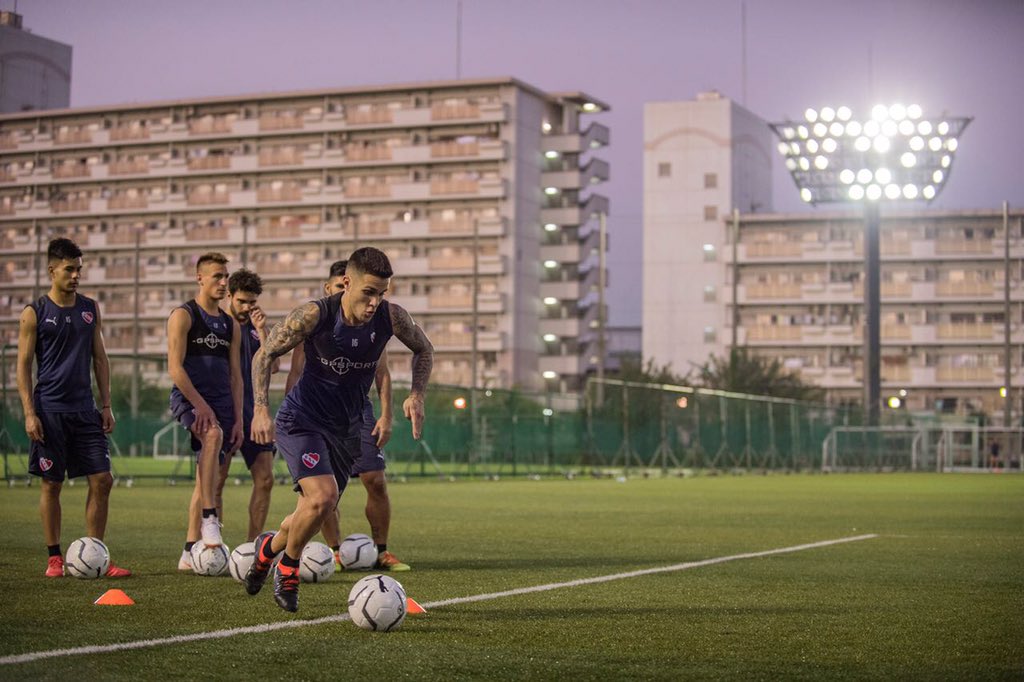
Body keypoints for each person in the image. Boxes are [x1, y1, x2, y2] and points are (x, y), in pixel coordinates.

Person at [245, 246, 432, 612]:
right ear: (346, 283)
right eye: (368, 292)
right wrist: (261, 409)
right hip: (302, 421)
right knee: (323, 499)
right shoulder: (315, 314)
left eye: (382, 293)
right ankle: (288, 569)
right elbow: (265, 354)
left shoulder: (391, 319)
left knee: (310, 511)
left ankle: (267, 551)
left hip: (346, 429)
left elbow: (424, 349)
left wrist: (417, 394)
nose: (375, 301)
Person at [16, 237, 131, 577]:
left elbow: (100, 357)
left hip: (85, 411)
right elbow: (22, 366)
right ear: (52, 270)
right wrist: (28, 412)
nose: (76, 275)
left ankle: (95, 554)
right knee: (52, 484)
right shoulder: (34, 312)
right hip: (49, 411)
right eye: (70, 269)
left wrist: (106, 404)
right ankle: (54, 557)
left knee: (103, 479)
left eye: (79, 269)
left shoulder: (89, 308)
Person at [285, 260, 408, 571]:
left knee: (375, 479)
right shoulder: (315, 322)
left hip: (358, 412)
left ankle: (381, 551)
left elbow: (383, 372)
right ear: (334, 288)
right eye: (341, 288)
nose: (370, 303)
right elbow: (295, 371)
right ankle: (335, 552)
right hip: (314, 413)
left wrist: (386, 416)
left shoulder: (375, 324)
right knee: (327, 494)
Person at [168, 252, 243, 570]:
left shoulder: (230, 324)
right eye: (217, 276)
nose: (224, 282)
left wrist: (239, 419)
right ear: (200, 278)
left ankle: (188, 551)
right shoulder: (183, 316)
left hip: (223, 404)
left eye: (226, 276)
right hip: (191, 400)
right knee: (211, 435)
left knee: (208, 477)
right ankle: (210, 519)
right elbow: (174, 368)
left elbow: (236, 376)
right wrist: (201, 406)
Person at [227, 269, 280, 541]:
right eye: (242, 302)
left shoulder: (258, 329)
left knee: (265, 479)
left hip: (255, 413)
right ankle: (209, 546)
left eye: (252, 302)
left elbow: (276, 365)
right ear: (229, 296)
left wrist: (261, 330)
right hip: (225, 412)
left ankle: (252, 545)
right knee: (214, 483)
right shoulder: (220, 325)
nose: (248, 308)